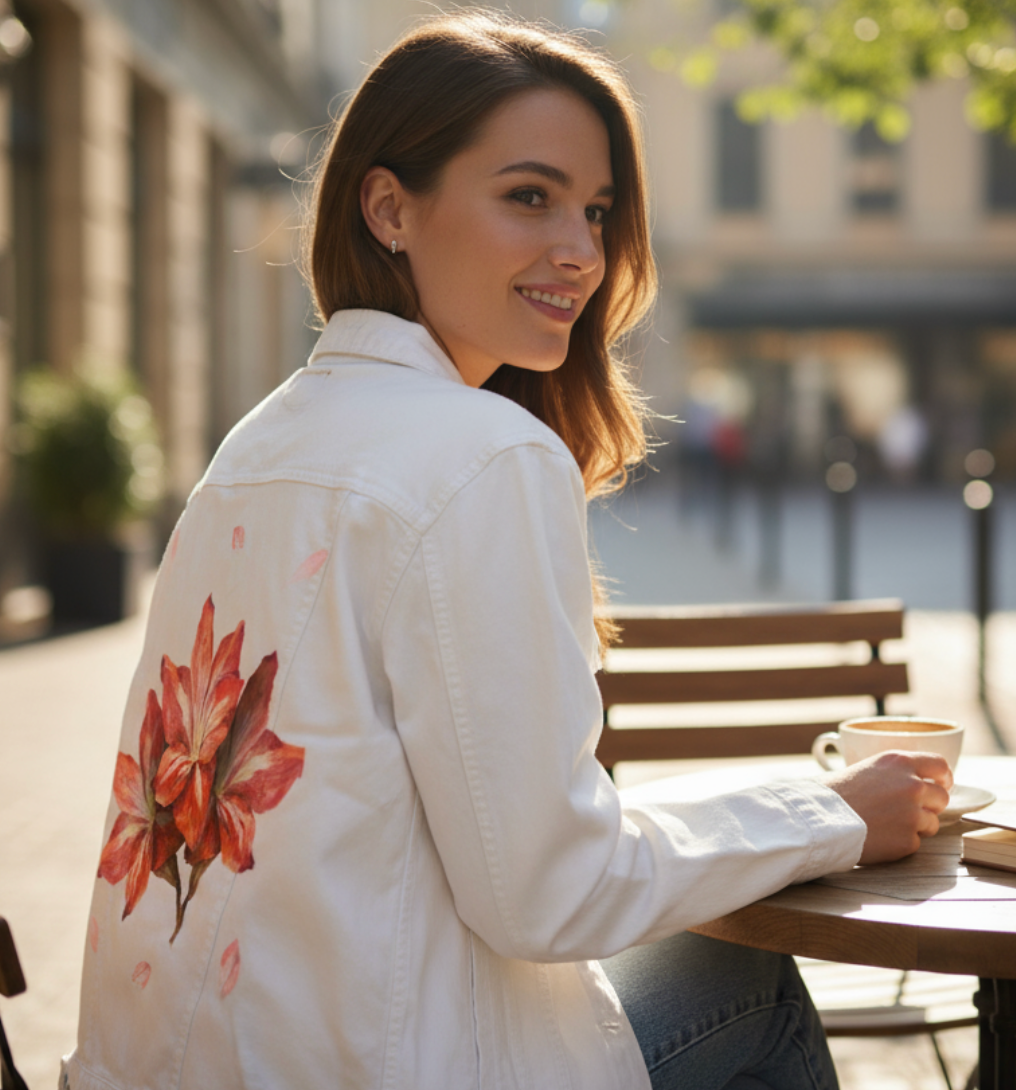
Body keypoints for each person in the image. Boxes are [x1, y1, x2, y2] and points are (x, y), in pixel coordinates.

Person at [64, 12, 952, 1090]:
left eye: (595, 209)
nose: (578, 250)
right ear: (388, 207)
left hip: (160, 1064)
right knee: (743, 981)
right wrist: (827, 815)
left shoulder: (261, 441)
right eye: (527, 196)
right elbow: (549, 890)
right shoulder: (485, 454)